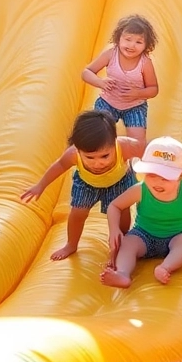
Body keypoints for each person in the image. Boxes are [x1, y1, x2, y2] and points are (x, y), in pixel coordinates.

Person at [20, 110, 143, 260]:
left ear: (115, 142)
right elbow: (59, 166)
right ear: (78, 150)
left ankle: (122, 240)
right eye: (89, 157)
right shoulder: (73, 154)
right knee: (78, 213)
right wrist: (41, 185)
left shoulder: (126, 147)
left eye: (105, 156)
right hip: (87, 184)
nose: (98, 163)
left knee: (121, 212)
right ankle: (71, 244)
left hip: (119, 181)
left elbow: (149, 151)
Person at [99, 136, 182, 287]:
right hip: (144, 234)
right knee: (128, 243)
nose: (157, 182)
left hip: (177, 235)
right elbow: (114, 206)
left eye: (165, 178)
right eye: (151, 175)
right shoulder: (140, 189)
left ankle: (165, 267)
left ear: (181, 176)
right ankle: (122, 274)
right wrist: (114, 229)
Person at [81, 14, 159, 146]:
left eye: (138, 42)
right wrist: (101, 82)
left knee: (137, 144)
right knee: (97, 133)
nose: (132, 45)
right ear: (118, 38)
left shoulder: (145, 63)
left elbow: (154, 89)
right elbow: (86, 72)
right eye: (128, 39)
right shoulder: (111, 54)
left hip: (135, 106)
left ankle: (133, 165)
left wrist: (138, 93)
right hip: (107, 102)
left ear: (146, 45)